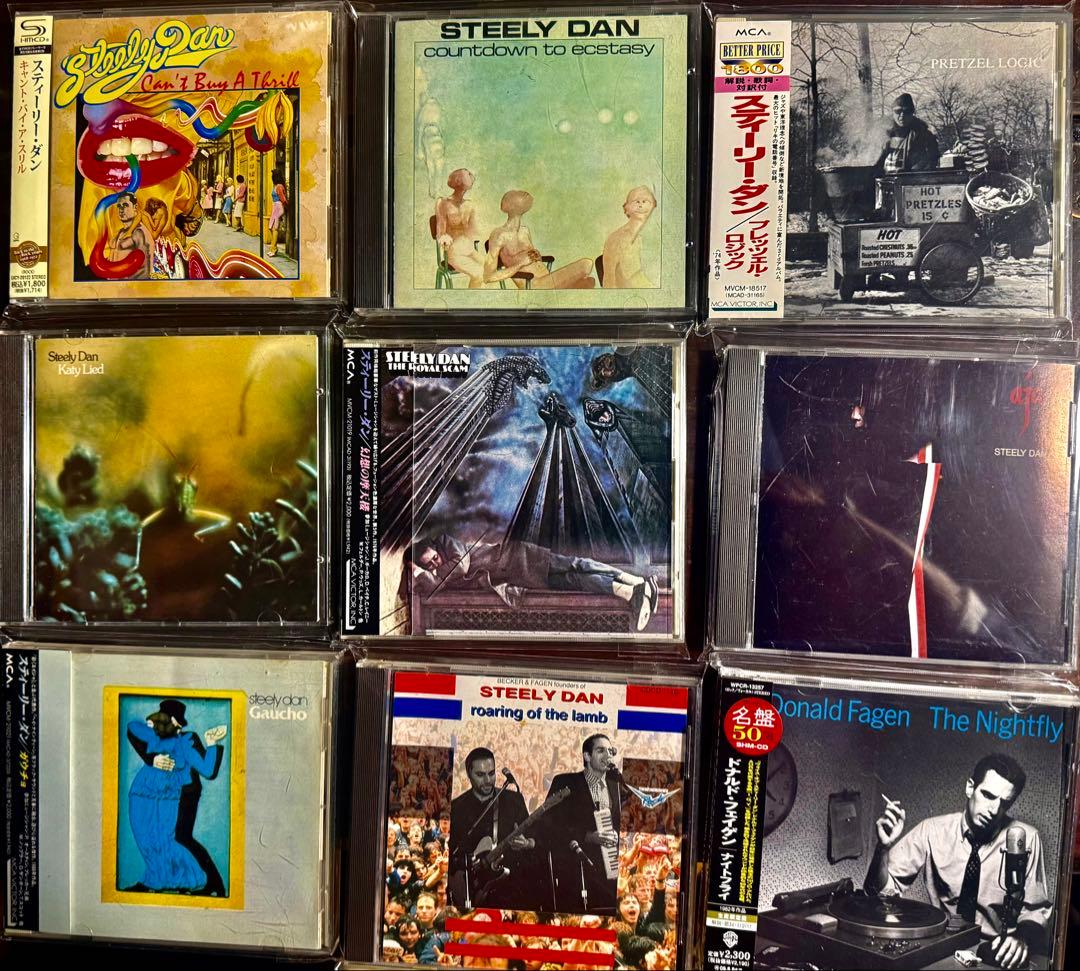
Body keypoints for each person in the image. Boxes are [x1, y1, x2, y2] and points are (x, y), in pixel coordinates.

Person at [865, 754, 1051, 970]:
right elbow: (880, 892)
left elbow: (1036, 911)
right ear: (970, 788)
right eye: (988, 795)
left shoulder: (1025, 839)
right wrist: (883, 848)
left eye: (1004, 803)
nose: (993, 810)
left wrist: (1022, 938)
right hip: (944, 950)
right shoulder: (931, 831)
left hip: (997, 954)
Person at [411, 533, 659, 633]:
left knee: (578, 565)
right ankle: (631, 590)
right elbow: (433, 585)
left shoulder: (449, 544)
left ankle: (635, 582)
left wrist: (433, 572)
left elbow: (461, 565)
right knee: (575, 579)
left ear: (437, 548)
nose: (435, 563)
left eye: (435, 558)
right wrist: (418, 572)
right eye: (429, 565)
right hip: (523, 575)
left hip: (523, 557)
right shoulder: (441, 573)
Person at [123, 699, 227, 894]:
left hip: (177, 796)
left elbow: (208, 770)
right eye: (175, 722)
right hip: (146, 795)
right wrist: (152, 758)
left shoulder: (186, 740)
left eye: (180, 724)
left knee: (179, 838)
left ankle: (213, 883)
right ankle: (156, 879)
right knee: (150, 837)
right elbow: (132, 727)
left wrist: (212, 743)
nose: (179, 727)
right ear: (165, 720)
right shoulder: (152, 735)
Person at [538, 734, 622, 914]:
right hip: (574, 871)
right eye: (600, 750)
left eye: (610, 751)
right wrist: (588, 836)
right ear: (587, 756)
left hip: (608, 872)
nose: (607, 755)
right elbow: (549, 825)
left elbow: (621, 823)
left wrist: (617, 834)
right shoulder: (565, 782)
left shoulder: (616, 785)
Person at [449, 747, 534, 909]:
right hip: (472, 890)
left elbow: (534, 838)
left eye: (491, 773)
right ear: (469, 774)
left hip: (509, 890)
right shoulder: (457, 808)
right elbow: (449, 853)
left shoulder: (513, 800)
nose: (488, 780)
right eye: (480, 775)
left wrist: (527, 843)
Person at [486, 189, 595, 289]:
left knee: (588, 282)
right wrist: (521, 263)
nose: (522, 193)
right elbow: (488, 277)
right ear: (510, 206)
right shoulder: (499, 235)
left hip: (547, 279)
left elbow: (533, 261)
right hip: (533, 285)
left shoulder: (524, 231)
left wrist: (537, 257)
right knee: (586, 264)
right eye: (515, 194)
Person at [435, 168, 487, 288]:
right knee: (479, 274)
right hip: (454, 252)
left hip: (469, 249)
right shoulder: (443, 203)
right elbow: (441, 232)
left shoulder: (469, 205)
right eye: (467, 174)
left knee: (490, 269)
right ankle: (471, 299)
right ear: (458, 181)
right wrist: (444, 239)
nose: (470, 175)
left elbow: (474, 231)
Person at [601, 186, 657, 288]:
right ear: (626, 208)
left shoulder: (655, 235)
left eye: (645, 201)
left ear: (653, 206)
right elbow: (609, 279)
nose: (640, 205)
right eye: (636, 201)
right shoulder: (616, 238)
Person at [876, 93, 940, 174]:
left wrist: (913, 172)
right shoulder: (885, 134)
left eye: (907, 111)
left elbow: (933, 158)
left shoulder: (923, 134)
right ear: (893, 112)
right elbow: (876, 161)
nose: (902, 115)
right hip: (887, 178)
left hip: (911, 179)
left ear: (912, 113)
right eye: (898, 111)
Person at [106, 192, 154, 280]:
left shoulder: (139, 232)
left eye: (125, 205)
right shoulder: (120, 232)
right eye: (119, 206)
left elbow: (145, 267)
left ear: (135, 207)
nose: (121, 210)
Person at [268, 169, 288, 257]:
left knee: (275, 228)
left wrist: (286, 208)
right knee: (270, 227)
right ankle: (274, 247)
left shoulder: (279, 186)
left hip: (278, 207)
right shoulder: (276, 186)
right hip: (275, 207)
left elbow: (283, 199)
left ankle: (273, 249)